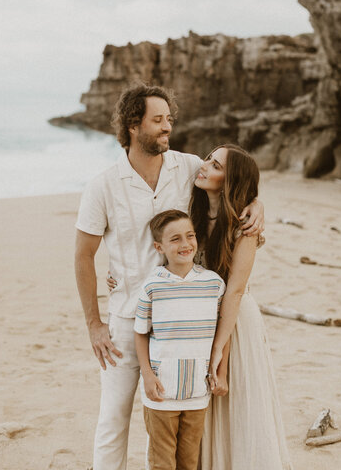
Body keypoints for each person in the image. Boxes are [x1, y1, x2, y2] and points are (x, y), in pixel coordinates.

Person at [74, 84, 264, 470]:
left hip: (187, 321)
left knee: (173, 426)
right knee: (113, 420)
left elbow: (233, 180)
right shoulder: (102, 186)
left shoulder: (189, 166)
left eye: (169, 120)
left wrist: (260, 205)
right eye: (158, 121)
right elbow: (83, 256)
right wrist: (95, 324)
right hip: (127, 321)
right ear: (133, 125)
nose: (167, 128)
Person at [190, 144, 293, 470]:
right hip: (201, 317)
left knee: (240, 404)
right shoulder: (193, 208)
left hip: (235, 321)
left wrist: (219, 347)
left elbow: (234, 291)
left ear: (230, 180)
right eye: (208, 158)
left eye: (215, 165)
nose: (204, 166)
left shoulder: (244, 226)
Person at [134, 209, 225, 470]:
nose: (185, 244)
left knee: (189, 461)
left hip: (198, 391)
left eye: (190, 236)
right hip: (161, 393)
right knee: (162, 462)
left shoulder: (213, 284)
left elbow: (222, 333)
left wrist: (222, 372)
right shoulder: (153, 285)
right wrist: (148, 375)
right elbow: (140, 333)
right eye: (175, 239)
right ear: (159, 246)